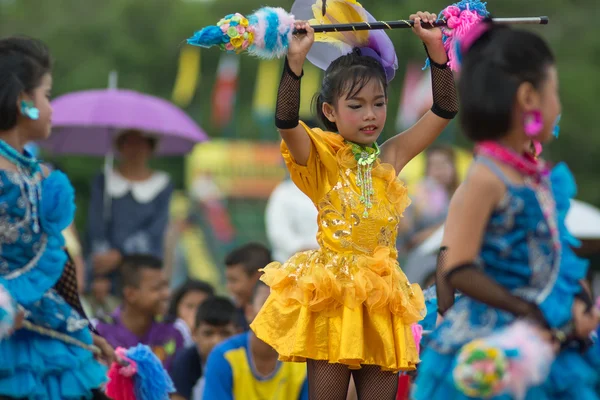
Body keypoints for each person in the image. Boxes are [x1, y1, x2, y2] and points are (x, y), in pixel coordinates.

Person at [250, 10, 459, 399]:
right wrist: (294, 62)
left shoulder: (391, 156)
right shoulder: (320, 158)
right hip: (332, 295)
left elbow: (444, 109)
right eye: (357, 105)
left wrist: (435, 48)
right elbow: (285, 121)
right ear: (330, 111)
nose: (370, 115)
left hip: (383, 297)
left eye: (378, 104)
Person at [412, 20, 600, 399]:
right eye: (555, 92)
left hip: (539, 339)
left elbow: (554, 252)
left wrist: (575, 302)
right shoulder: (485, 176)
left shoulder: (535, 177)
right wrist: (527, 311)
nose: (558, 105)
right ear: (529, 98)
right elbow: (457, 266)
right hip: (491, 349)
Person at [0, 35, 110, 399]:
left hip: (48, 341)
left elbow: (58, 268)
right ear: (24, 104)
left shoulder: (38, 179)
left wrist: (83, 332)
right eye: (47, 95)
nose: (51, 109)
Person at [86, 128, 174, 292]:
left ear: (150, 147)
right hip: (106, 278)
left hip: (145, 272)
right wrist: (99, 275)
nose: (135, 149)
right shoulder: (103, 180)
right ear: (120, 146)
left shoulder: (163, 184)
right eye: (129, 143)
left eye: (141, 143)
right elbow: (95, 227)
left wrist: (120, 255)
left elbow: (155, 231)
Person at [203, 281, 309, 400]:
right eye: (267, 304)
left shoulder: (303, 361)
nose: (277, 312)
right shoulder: (224, 356)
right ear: (249, 312)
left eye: (285, 305)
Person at [94, 254, 185, 370]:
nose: (167, 294)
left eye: (166, 286)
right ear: (131, 294)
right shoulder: (98, 329)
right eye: (157, 288)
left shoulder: (176, 329)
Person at [169, 296, 239, 400]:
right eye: (208, 333)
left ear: (239, 333)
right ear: (194, 334)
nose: (216, 341)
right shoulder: (185, 362)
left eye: (225, 333)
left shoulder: (250, 358)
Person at [265, 171, 319, 263]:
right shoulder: (284, 192)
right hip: (288, 261)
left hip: (328, 262)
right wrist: (300, 249)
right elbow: (278, 230)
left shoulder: (337, 188)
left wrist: (318, 248)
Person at [224, 243, 272, 331]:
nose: (229, 287)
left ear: (260, 277)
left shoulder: (284, 310)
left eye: (234, 280)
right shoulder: (234, 318)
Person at [168, 279, 215, 347]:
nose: (195, 312)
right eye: (189, 306)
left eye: (202, 306)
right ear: (176, 307)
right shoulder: (167, 336)